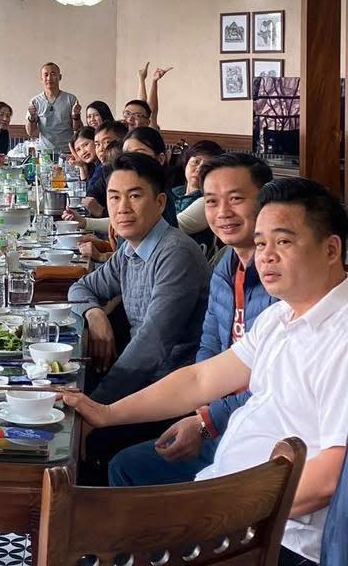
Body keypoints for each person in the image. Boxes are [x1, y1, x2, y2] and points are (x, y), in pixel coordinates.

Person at [66, 177, 348, 566]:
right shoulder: (281, 316)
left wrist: (209, 513)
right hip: (224, 505)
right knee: (77, 528)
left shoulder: (341, 336)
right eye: (261, 243)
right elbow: (201, 379)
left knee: (83, 545)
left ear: (331, 249)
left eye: (283, 242)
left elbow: (331, 477)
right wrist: (107, 413)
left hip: (272, 538)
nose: (266, 256)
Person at [108, 152, 274, 488]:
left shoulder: (279, 281)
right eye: (211, 201)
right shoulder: (226, 266)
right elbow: (208, 352)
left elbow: (272, 387)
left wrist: (205, 422)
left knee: (120, 461)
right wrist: (202, 415)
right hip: (211, 409)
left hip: (258, 433)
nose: (222, 212)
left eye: (236, 199)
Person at [68, 153, 210, 423]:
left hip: (169, 399)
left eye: (134, 196)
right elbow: (81, 288)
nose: (122, 208)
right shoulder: (131, 249)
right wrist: (94, 315)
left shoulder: (175, 253)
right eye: (114, 197)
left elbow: (152, 345)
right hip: (139, 382)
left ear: (160, 203)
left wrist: (96, 407)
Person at [172, 140, 223, 255]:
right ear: (186, 163)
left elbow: (171, 228)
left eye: (207, 166)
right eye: (196, 162)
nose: (199, 169)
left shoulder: (209, 201)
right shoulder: (174, 191)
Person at [26, 62, 82, 153]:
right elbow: (30, 133)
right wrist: (31, 118)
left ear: (60, 77)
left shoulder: (71, 99)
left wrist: (76, 116)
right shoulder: (35, 102)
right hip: (44, 152)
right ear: (41, 79)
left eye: (53, 74)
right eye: (46, 75)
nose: (49, 78)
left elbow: (77, 129)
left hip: (67, 151)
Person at [136, 62, 172, 128]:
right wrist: (143, 79)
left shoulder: (149, 129)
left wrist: (142, 79)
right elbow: (143, 109)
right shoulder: (132, 127)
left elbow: (150, 114)